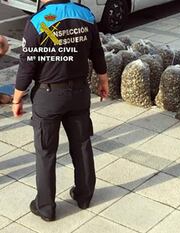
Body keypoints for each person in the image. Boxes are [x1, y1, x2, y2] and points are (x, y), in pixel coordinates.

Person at [12, 0, 109, 221]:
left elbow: (28, 65)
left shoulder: (37, 22)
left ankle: (45, 207)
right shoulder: (85, 14)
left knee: (46, 152)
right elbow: (97, 51)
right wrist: (103, 80)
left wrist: (17, 98)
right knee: (82, 144)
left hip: (49, 97)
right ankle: (84, 196)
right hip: (79, 93)